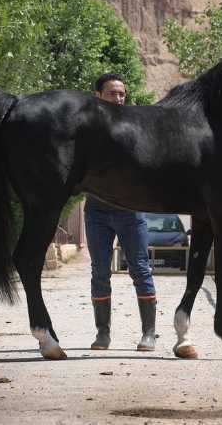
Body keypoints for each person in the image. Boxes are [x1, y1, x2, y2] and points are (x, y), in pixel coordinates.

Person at [85, 72, 157, 351]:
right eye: (112, 93)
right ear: (98, 96)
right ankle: (102, 334)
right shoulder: (89, 129)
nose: (118, 98)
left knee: (140, 269)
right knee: (99, 272)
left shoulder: (134, 126)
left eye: (121, 94)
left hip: (130, 211)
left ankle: (149, 333)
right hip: (96, 213)